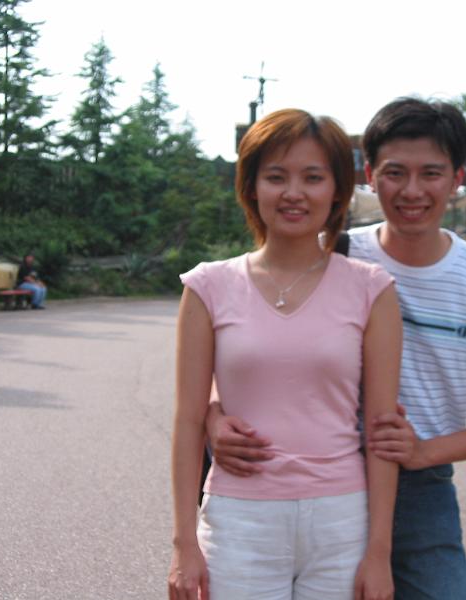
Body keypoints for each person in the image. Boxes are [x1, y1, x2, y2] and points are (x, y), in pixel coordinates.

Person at [207, 97, 466, 600]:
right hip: (319, 472)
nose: (412, 190)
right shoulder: (332, 251)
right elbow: (252, 343)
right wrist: (214, 414)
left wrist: (426, 451)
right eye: (394, 173)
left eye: (431, 173)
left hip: (418, 488)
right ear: (369, 175)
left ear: (457, 178)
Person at [168, 108, 402, 600]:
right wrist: (184, 544)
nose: (294, 192)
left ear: (336, 190)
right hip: (239, 521)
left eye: (313, 177)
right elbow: (188, 421)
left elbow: (382, 430)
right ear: (251, 187)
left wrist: (379, 552)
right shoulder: (208, 286)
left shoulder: (371, 289)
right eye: (276, 177)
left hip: (341, 522)